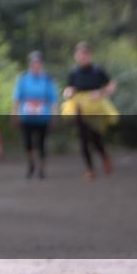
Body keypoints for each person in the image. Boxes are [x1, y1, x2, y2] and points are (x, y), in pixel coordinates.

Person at [62, 42, 117, 180]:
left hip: (96, 108)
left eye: (85, 55)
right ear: (76, 56)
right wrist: (68, 93)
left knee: (96, 138)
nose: (83, 57)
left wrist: (101, 92)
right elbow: (68, 88)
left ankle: (105, 157)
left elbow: (112, 85)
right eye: (80, 55)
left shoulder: (98, 70)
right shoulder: (73, 72)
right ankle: (90, 169)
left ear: (90, 56)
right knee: (83, 139)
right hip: (80, 108)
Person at [12, 51, 59, 179]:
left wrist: (54, 116)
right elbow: (17, 98)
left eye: (38, 63)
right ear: (30, 65)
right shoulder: (23, 78)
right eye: (33, 63)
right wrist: (14, 114)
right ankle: (31, 163)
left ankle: (42, 168)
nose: (36, 66)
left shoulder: (48, 79)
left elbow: (53, 99)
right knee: (28, 143)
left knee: (42, 143)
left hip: (43, 117)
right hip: (27, 116)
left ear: (42, 64)